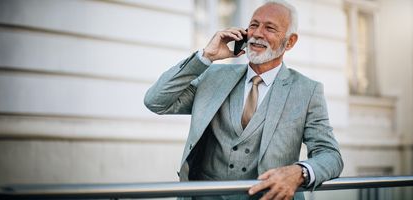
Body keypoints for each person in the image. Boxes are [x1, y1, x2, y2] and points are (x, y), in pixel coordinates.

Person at [144, 1, 343, 199]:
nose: (257, 33)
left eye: (270, 28)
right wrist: (205, 57)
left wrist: (300, 172)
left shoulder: (307, 90)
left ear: (289, 42)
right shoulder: (213, 76)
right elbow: (156, 101)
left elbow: (331, 155)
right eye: (254, 25)